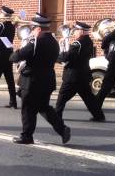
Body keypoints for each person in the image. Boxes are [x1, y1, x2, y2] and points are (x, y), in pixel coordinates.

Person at [9, 13, 70, 144]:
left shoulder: (36, 42)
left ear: (39, 29)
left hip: (32, 81)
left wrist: (18, 49)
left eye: (33, 29)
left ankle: (26, 136)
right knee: (44, 107)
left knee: (28, 109)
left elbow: (15, 57)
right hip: (47, 80)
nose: (32, 31)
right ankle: (62, 129)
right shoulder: (54, 42)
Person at [56, 21, 106, 122]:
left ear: (81, 31)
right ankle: (99, 115)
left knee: (62, 96)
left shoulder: (77, 43)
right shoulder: (89, 41)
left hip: (73, 75)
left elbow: (67, 57)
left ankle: (57, 116)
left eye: (76, 31)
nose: (74, 32)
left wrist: (56, 57)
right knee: (88, 98)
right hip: (83, 74)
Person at [96, 12, 115, 107]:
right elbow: (104, 44)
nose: (114, 23)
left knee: (106, 86)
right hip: (114, 63)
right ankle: (96, 109)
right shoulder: (114, 32)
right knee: (105, 86)